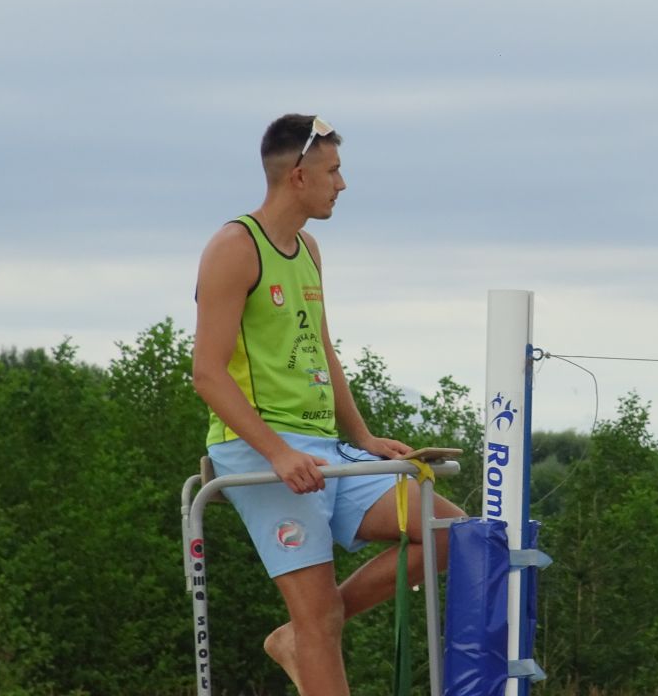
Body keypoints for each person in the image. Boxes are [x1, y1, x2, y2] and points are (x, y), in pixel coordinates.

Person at [192, 113, 465, 696]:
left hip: (325, 448)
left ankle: (298, 636)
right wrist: (277, 452)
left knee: (452, 533)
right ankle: (309, 631)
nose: (342, 184)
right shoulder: (234, 247)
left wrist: (363, 438)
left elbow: (322, 349)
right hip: (262, 450)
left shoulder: (309, 249)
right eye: (333, 171)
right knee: (320, 620)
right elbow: (207, 373)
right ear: (298, 176)